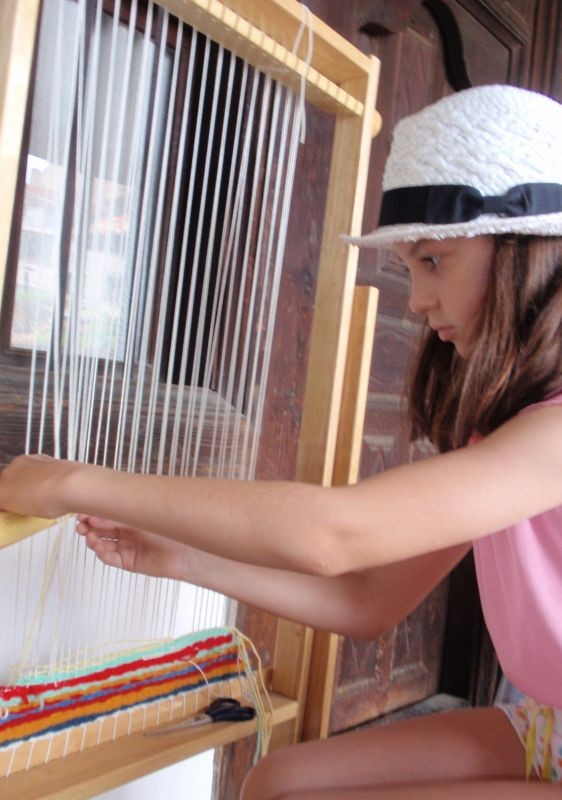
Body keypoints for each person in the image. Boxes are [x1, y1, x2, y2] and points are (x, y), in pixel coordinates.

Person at [1, 84, 562, 798]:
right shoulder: (505, 431)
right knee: (279, 784)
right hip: (548, 725)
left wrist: (70, 482)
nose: (419, 301)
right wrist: (185, 558)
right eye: (409, 269)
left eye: (431, 260)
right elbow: (367, 600)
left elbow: (333, 534)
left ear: (524, 253)